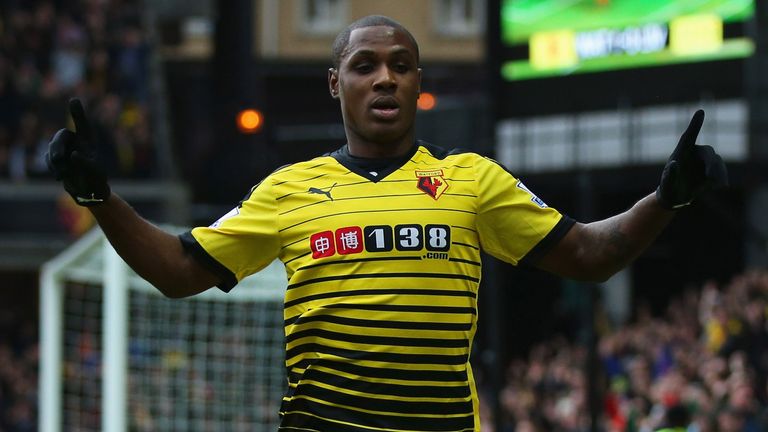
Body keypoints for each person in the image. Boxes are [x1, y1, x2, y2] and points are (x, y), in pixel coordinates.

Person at [46, 14, 727, 432]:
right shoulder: (288, 191)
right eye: (365, 65)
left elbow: (588, 253)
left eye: (401, 66)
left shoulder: (473, 180)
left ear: (418, 83)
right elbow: (179, 272)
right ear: (336, 83)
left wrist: (665, 198)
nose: (385, 78)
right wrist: (99, 196)